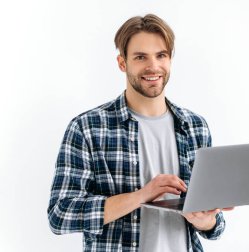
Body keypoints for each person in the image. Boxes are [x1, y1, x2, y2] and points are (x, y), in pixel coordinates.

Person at [48, 14, 231, 252]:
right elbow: (60, 214)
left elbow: (213, 225)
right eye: (140, 57)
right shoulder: (87, 127)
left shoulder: (195, 126)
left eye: (161, 55)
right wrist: (141, 196)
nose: (153, 66)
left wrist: (206, 221)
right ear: (122, 63)